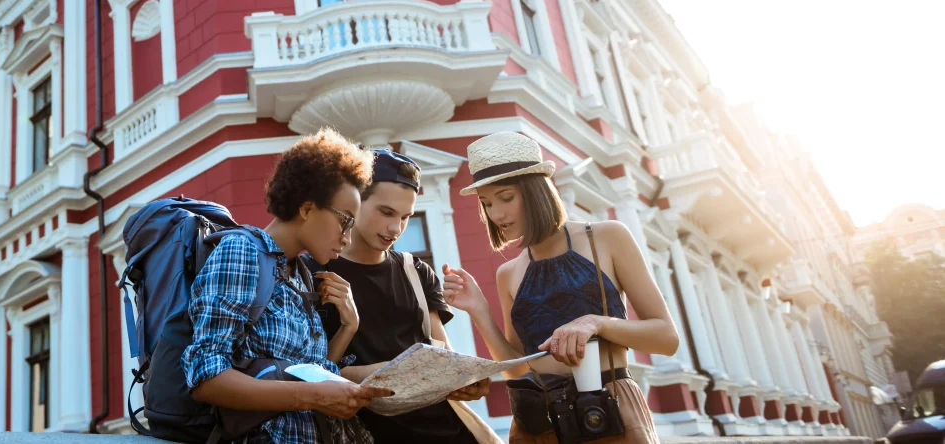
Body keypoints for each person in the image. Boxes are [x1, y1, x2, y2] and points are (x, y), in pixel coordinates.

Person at [442, 132, 680, 444]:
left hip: (609, 411)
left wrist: (596, 323)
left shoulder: (608, 237)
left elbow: (666, 338)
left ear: (536, 190)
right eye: (486, 204)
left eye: (506, 197)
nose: (495, 214)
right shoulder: (508, 273)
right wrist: (479, 311)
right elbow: (518, 371)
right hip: (537, 423)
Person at [182, 128, 392, 444]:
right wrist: (312, 397)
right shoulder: (243, 252)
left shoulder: (302, 273)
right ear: (307, 208)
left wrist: (349, 328)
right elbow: (205, 376)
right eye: (345, 221)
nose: (348, 238)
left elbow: (308, 372)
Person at [313, 149, 491, 444]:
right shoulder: (314, 272)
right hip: (364, 434)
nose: (395, 229)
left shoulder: (416, 271)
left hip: (449, 433)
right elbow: (309, 372)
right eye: (386, 212)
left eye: (406, 217)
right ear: (355, 201)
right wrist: (385, 372)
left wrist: (466, 380)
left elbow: (443, 355)